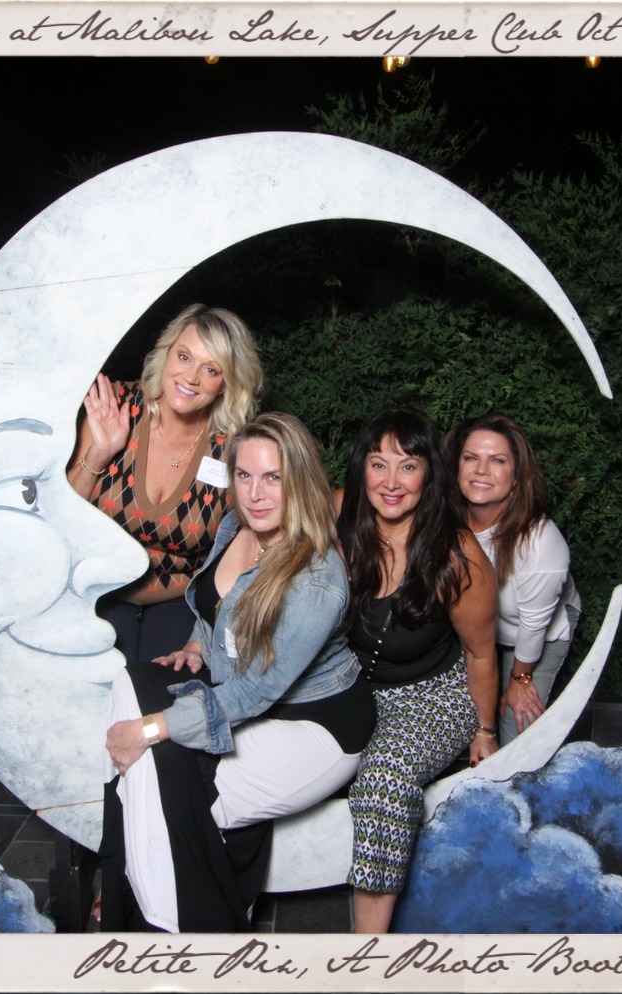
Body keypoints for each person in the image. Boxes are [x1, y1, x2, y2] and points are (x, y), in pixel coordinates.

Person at [100, 412, 377, 933]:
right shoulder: (235, 528)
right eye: (245, 476)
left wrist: (149, 730)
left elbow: (253, 693)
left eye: (273, 478)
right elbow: (215, 609)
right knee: (132, 681)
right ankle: (150, 898)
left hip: (314, 724)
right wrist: (195, 646)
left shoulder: (318, 578)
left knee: (161, 773)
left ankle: (174, 930)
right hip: (242, 694)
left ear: (300, 480)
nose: (255, 493)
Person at [335, 409, 499, 935]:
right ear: (361, 468)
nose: (391, 481)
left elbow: (480, 654)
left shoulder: (457, 554)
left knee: (383, 780)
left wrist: (485, 731)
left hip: (432, 695)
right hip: (350, 688)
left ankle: (367, 951)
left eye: (407, 466)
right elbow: (262, 508)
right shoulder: (339, 519)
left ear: (429, 474)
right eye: (378, 464)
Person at [67, 303, 264, 667]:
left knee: (163, 688)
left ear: (227, 383)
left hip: (178, 601)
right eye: (184, 357)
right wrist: (99, 454)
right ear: (167, 353)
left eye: (211, 369)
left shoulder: (236, 449)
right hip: (95, 592)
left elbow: (250, 547)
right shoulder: (116, 407)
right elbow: (61, 517)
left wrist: (202, 637)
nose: (191, 378)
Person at [444, 414, 581, 746]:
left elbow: (534, 625)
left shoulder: (541, 542)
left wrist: (520, 680)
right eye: (471, 458)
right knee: (463, 717)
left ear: (517, 477)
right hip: (478, 634)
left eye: (497, 460)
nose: (481, 470)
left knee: (515, 731)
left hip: (537, 634)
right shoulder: (442, 523)